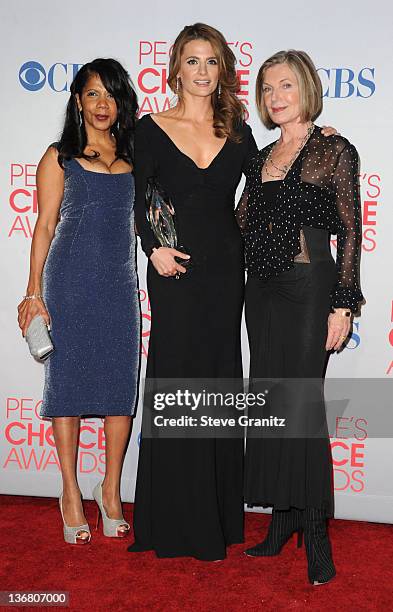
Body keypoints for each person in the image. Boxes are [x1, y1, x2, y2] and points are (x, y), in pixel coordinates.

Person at [128, 23, 259, 561]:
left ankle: (218, 517)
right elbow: (139, 199)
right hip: (174, 268)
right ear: (175, 67)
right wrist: (152, 247)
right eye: (192, 60)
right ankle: (171, 517)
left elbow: (264, 190)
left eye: (211, 62)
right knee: (178, 377)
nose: (202, 71)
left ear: (222, 69)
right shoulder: (150, 128)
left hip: (227, 271)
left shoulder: (239, 129)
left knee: (217, 375)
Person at [236, 50, 363, 584]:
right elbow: (239, 221)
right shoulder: (260, 156)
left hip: (309, 291)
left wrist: (344, 301)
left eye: (285, 86)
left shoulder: (333, 150)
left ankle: (314, 532)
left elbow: (351, 230)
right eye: (267, 89)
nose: (275, 97)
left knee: (302, 410)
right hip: (260, 294)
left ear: (306, 89)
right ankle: (280, 522)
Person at [17, 58, 140, 544]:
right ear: (77, 101)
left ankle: (109, 490)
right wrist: (33, 293)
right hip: (68, 282)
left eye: (110, 94)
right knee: (66, 388)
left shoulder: (137, 151)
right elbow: (44, 226)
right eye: (92, 94)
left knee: (118, 389)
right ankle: (69, 491)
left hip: (119, 286)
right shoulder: (59, 155)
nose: (102, 103)